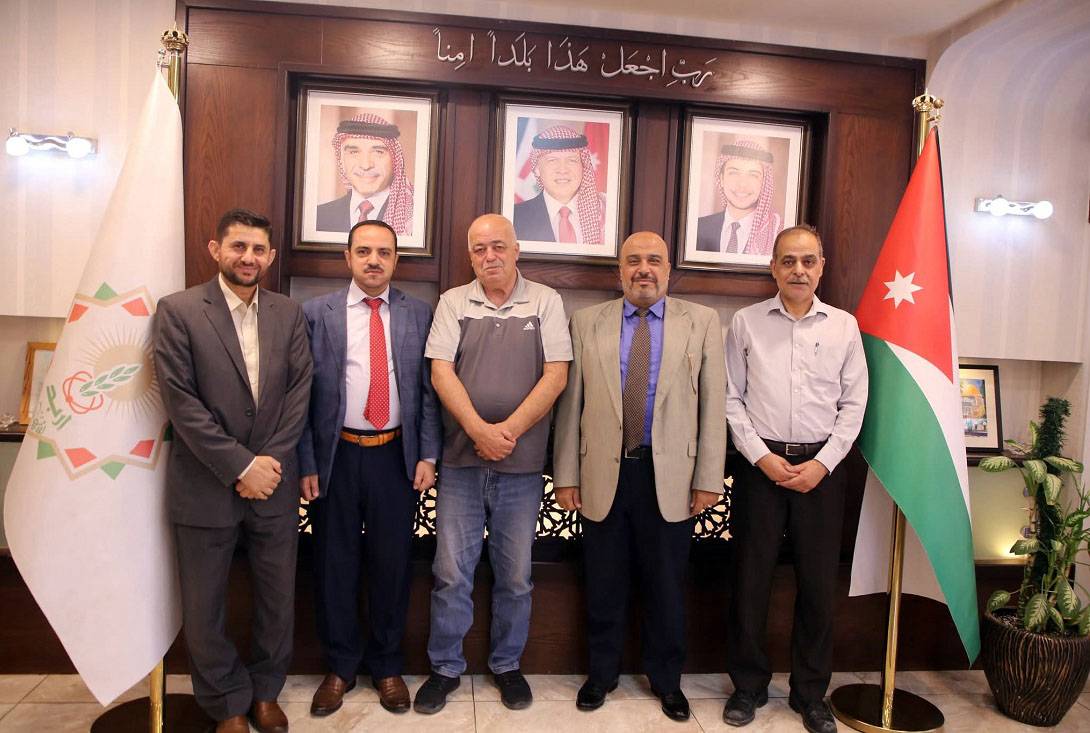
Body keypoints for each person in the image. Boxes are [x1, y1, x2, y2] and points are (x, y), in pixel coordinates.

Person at [553, 231, 726, 721]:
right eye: (633, 261)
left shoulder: (702, 322)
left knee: (667, 586)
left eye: (653, 260)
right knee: (603, 582)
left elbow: (713, 406)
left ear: (669, 270)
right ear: (620, 271)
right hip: (603, 475)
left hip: (672, 477)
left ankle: (667, 681)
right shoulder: (587, 321)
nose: (643, 269)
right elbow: (571, 405)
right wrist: (565, 474)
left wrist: (708, 478)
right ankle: (601, 674)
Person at [153, 209, 313, 733]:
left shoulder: (289, 313)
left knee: (276, 600)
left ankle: (266, 692)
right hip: (204, 484)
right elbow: (181, 402)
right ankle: (226, 702)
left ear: (270, 256)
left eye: (258, 249)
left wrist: (267, 465)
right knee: (204, 606)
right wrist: (240, 465)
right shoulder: (178, 311)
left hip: (274, 484)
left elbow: (299, 394)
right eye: (238, 246)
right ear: (215, 249)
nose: (248, 257)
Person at [414, 213, 572, 714]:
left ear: (516, 249)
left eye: (498, 246)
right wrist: (479, 431)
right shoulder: (452, 302)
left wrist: (507, 434)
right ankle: (444, 668)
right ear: (470, 256)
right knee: (451, 574)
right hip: (460, 465)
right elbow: (441, 373)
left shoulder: (545, 301)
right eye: (480, 249)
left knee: (516, 576)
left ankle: (507, 665)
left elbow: (556, 375)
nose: (490, 256)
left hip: (522, 468)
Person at [723, 225, 868, 733]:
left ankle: (810, 694)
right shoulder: (745, 323)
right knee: (750, 582)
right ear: (774, 268)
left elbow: (854, 405)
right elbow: (731, 399)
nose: (798, 270)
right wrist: (760, 457)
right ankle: (747, 687)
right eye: (788, 261)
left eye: (808, 261)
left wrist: (823, 465)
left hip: (821, 473)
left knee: (818, 587)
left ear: (822, 267)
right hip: (759, 469)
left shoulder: (845, 327)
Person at [297, 219, 442, 717]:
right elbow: (301, 396)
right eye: (363, 251)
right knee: (333, 565)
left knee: (392, 565)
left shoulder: (418, 313)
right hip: (335, 457)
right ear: (348, 257)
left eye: (383, 252)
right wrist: (307, 461)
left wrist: (427, 455)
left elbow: (428, 391)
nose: (373, 260)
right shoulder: (316, 313)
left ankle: (386, 666)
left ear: (396, 259)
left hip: (395, 457)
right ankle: (340, 667)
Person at [316, 113, 414, 235]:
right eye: (354, 152)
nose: (366, 165)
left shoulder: (414, 217)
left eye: (378, 152)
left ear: (395, 160)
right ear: (341, 159)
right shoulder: (319, 216)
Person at [512, 125, 604, 244]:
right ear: (537, 169)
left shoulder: (604, 214)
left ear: (583, 167)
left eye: (572, 160)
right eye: (552, 160)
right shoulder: (516, 217)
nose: (562, 170)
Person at [696, 139, 782, 256]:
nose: (742, 184)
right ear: (721, 179)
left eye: (753, 175)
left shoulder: (777, 232)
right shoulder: (698, 228)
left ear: (764, 183)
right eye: (734, 173)